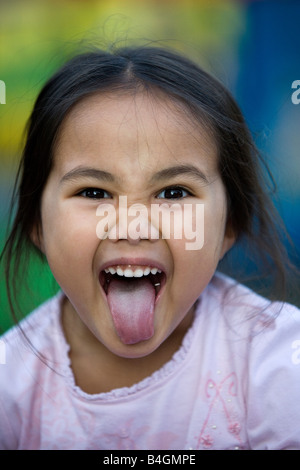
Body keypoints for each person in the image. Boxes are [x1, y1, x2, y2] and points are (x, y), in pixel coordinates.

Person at [0, 44, 299, 450]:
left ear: (228, 225)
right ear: (36, 222)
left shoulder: (278, 363)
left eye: (174, 192)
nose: (133, 226)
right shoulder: (10, 385)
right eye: (94, 191)